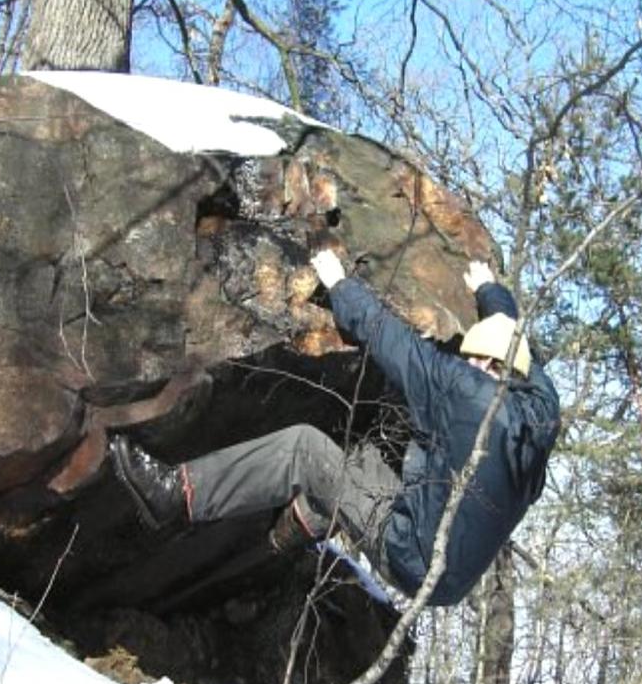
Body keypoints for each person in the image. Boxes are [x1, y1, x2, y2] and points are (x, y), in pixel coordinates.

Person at [109, 251, 560, 606]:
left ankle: (174, 493)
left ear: (485, 363)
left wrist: (339, 283)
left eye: (470, 357)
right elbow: (518, 343)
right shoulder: (542, 410)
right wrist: (490, 293)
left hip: (415, 558)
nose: (465, 362)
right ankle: (289, 535)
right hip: (454, 576)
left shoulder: (465, 389)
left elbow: (393, 341)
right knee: (364, 460)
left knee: (305, 449)